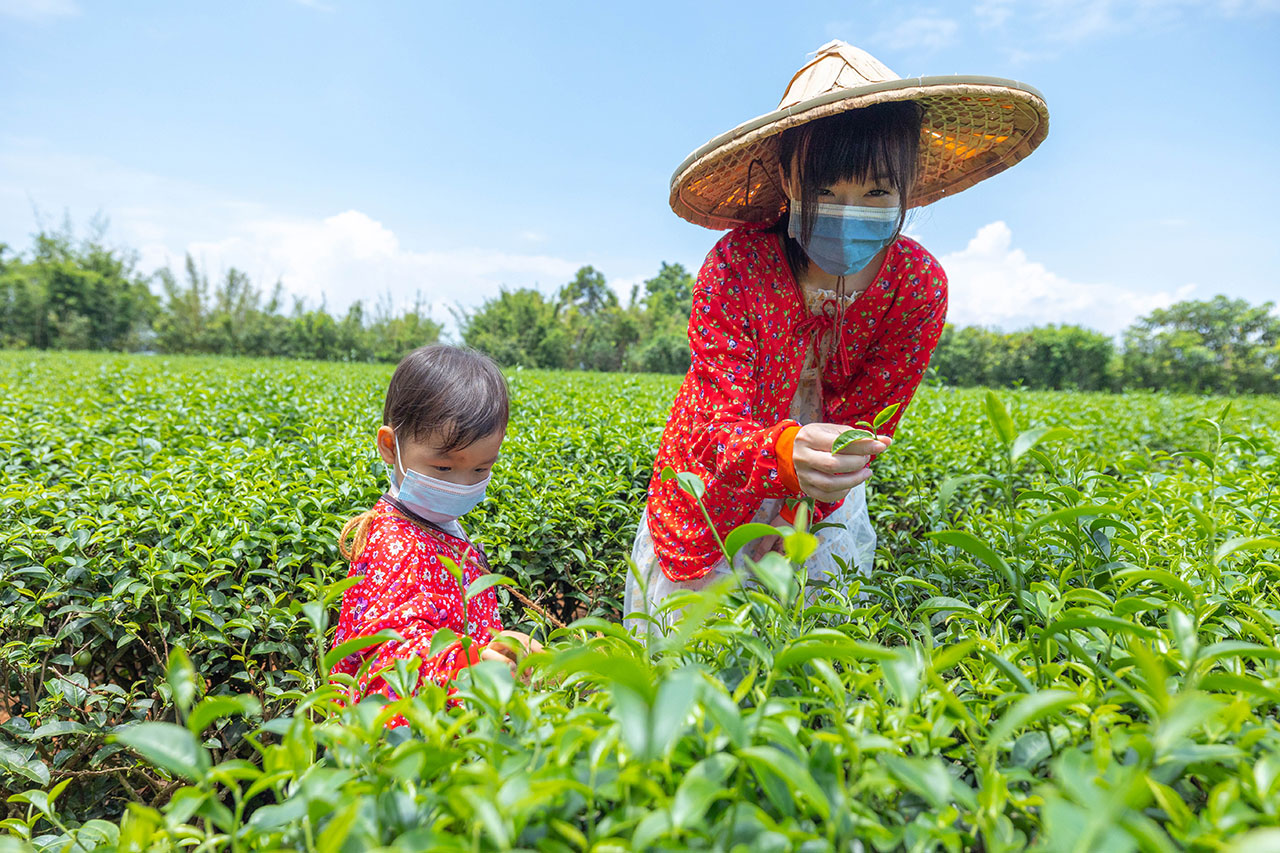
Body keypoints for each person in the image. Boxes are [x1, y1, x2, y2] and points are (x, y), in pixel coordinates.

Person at [626, 40, 1049, 628]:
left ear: (908, 183)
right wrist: (778, 452)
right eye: (827, 191)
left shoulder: (916, 286)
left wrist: (805, 508)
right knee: (694, 658)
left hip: (826, 493)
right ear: (788, 177)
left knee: (807, 660)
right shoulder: (736, 267)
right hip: (716, 489)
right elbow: (714, 426)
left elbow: (869, 423)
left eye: (877, 192)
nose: (850, 210)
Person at [330, 344, 540, 722]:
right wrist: (472, 666)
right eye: (443, 468)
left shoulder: (436, 525)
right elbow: (391, 661)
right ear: (390, 446)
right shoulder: (395, 546)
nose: (462, 484)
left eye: (480, 470)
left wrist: (499, 649)